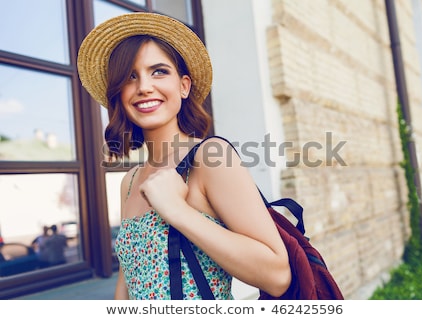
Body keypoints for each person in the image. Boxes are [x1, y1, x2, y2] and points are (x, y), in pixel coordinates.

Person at [77, 12, 290, 300]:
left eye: (159, 71)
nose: (143, 87)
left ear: (184, 86)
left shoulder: (210, 157)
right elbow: (126, 283)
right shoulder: (128, 182)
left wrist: (177, 212)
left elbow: (277, 276)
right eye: (130, 77)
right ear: (119, 93)